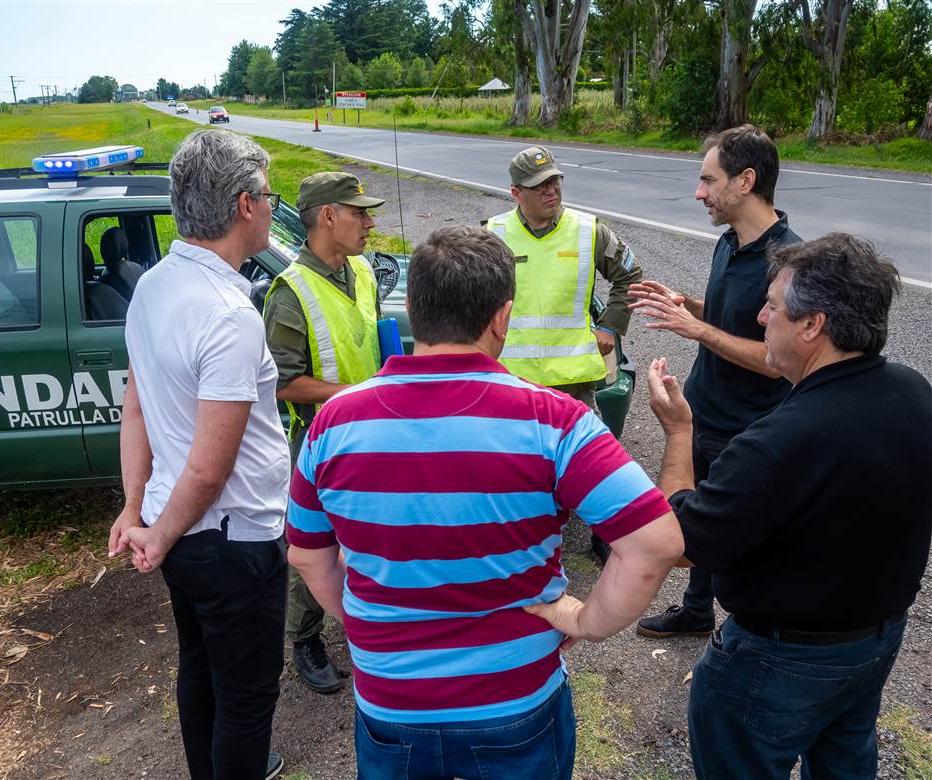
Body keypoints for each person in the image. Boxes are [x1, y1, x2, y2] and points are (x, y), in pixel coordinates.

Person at [287, 226, 684, 780]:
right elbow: (656, 542)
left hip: (390, 707)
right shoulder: (555, 421)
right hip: (515, 704)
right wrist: (588, 621)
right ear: (501, 316)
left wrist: (369, 625)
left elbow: (307, 554)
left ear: (417, 312)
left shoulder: (335, 421)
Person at [647, 234, 932, 779]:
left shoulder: (780, 442)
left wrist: (680, 431)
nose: (759, 317)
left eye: (772, 306)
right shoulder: (913, 390)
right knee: (845, 762)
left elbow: (675, 541)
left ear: (812, 325)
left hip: (776, 661)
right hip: (873, 642)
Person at [108, 129, 289, 780]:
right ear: (244, 205)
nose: (272, 206)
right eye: (269, 196)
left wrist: (138, 512)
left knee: (201, 670)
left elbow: (136, 408)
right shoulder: (227, 312)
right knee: (246, 700)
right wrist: (155, 530)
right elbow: (211, 468)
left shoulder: (152, 287)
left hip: (180, 534)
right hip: (232, 544)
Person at [631, 124, 800, 639]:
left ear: (745, 180)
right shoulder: (730, 242)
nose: (699, 192)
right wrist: (689, 304)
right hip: (704, 409)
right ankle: (697, 610)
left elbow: (777, 360)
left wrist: (697, 329)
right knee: (695, 519)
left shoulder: (789, 263)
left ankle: (755, 630)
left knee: (746, 533)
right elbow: (735, 318)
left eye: (709, 180)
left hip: (749, 426)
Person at [486, 145, 644, 564]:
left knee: (590, 459)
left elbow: (629, 273)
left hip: (572, 376)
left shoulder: (588, 229)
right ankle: (520, 540)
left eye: (555, 180)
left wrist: (611, 325)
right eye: (540, 186)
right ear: (516, 193)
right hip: (512, 378)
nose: (551, 190)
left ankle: (603, 532)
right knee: (515, 466)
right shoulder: (493, 234)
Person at [261, 171, 385, 695]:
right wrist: (353, 395)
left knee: (371, 532)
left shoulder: (363, 271)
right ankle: (304, 638)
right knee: (314, 539)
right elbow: (282, 383)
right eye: (359, 213)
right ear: (328, 217)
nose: (369, 222)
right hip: (320, 439)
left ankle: (369, 621)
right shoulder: (289, 293)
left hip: (375, 428)